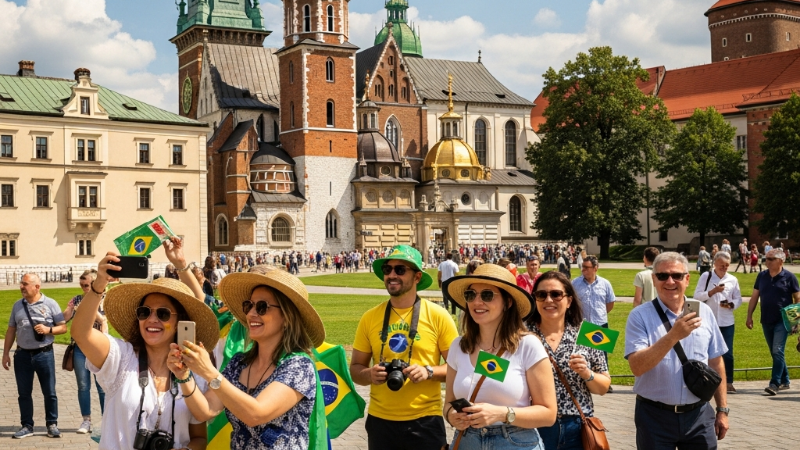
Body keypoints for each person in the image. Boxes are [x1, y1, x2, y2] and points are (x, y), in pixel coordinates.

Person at [71, 237, 218, 450]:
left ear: (180, 322)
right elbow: (81, 333)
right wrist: (99, 284)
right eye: (144, 312)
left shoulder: (192, 373)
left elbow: (199, 438)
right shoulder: (121, 357)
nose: (151, 319)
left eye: (163, 313)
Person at [168, 268, 327, 450]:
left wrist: (209, 372)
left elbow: (255, 414)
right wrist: (184, 376)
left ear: (287, 317)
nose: (251, 313)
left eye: (262, 307)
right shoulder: (239, 363)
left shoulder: (299, 365)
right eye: (248, 305)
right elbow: (205, 410)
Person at [350, 245, 459, 450]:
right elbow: (355, 368)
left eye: (400, 270)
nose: (392, 275)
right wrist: (370, 374)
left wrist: (428, 371)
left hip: (425, 421)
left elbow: (457, 368)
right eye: (387, 269)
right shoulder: (370, 317)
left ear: (417, 277)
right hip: (380, 421)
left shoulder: (438, 316)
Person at [443, 264, 557, 449]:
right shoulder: (458, 346)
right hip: (467, 441)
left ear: (508, 302)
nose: (477, 302)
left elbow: (548, 413)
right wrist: (452, 416)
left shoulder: (527, 345)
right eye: (470, 295)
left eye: (487, 295)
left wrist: (501, 414)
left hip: (515, 441)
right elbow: (448, 403)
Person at [625, 252, 729, 448]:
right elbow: (637, 367)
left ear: (687, 279)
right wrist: (673, 335)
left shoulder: (705, 312)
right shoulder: (639, 316)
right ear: (654, 279)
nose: (670, 281)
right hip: (655, 417)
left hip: (699, 416)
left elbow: (716, 361)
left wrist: (722, 409)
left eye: (677, 275)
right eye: (662, 276)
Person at [526, 271, 610, 449]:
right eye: (541, 295)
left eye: (556, 294)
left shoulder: (590, 333)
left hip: (577, 427)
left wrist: (587, 373)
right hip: (533, 425)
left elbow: (603, 387)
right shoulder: (521, 335)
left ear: (569, 300)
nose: (549, 300)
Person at [3, 273, 67, 439]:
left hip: (44, 354)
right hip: (22, 355)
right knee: (24, 393)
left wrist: (48, 330)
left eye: (25, 284)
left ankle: (52, 424)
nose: (21, 287)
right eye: (21, 284)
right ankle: (27, 425)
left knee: (49, 392)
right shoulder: (17, 305)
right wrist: (5, 354)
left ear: (37, 287)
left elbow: (63, 327)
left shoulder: (51, 304)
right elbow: (11, 330)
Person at [745, 248, 800, 395]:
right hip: (766, 319)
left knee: (777, 350)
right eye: (766, 258)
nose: (766, 261)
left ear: (780, 261)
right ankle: (785, 380)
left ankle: (774, 383)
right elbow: (754, 297)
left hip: (783, 321)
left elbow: (798, 299)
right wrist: (749, 316)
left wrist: (795, 321)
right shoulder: (761, 276)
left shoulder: (790, 277)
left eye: (770, 259)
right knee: (775, 352)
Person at [62, 269, 108, 434]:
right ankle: (86, 420)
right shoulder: (77, 299)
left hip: (98, 349)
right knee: (83, 385)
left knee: (102, 386)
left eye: (86, 285)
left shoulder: (105, 300)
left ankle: (106, 421)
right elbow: (64, 318)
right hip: (80, 348)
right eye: (81, 285)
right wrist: (70, 309)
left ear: (95, 284)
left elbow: (104, 324)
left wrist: (89, 309)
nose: (83, 288)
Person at [694, 251, 742, 394]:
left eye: (727, 265)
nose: (724, 268)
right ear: (715, 263)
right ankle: (707, 382)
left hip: (727, 321)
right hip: (708, 321)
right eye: (722, 265)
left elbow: (738, 298)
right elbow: (697, 296)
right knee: (705, 352)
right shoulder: (706, 276)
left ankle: (729, 382)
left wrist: (731, 304)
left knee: (728, 353)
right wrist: (712, 291)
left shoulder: (732, 279)